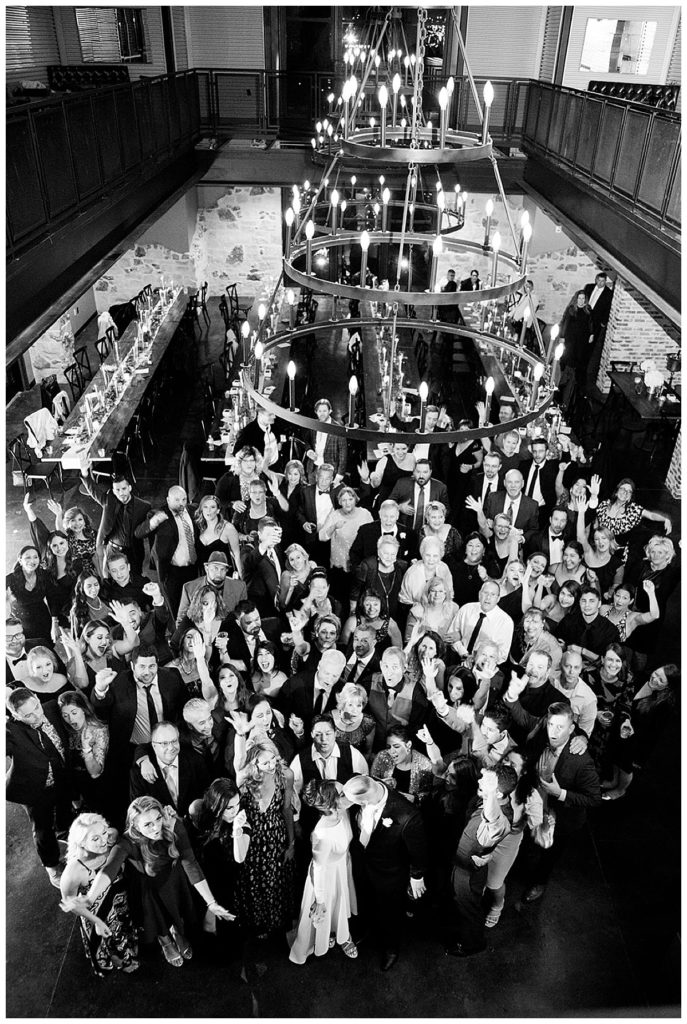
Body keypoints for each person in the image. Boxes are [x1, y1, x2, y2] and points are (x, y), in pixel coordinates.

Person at [86, 796, 234, 966]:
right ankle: (166, 942)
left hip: (174, 878)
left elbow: (190, 862)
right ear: (134, 825)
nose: (156, 827)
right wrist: (90, 898)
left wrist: (211, 903)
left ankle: (178, 933)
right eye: (147, 824)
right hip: (148, 886)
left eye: (158, 818)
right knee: (157, 915)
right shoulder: (128, 841)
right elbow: (109, 869)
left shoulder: (172, 824)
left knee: (178, 910)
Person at [342, 774, 428, 972]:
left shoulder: (407, 814)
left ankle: (391, 949)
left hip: (389, 872)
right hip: (361, 862)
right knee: (363, 898)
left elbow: (418, 850)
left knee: (389, 912)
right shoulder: (362, 782)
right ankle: (364, 929)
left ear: (364, 799)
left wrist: (416, 876)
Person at [519, 703, 601, 903]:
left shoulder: (581, 761)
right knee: (530, 843)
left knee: (549, 853)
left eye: (560, 727)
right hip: (536, 805)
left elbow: (594, 798)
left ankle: (539, 882)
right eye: (551, 725)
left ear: (572, 729)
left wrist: (561, 793)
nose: (553, 732)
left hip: (562, 818)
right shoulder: (542, 739)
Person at [447, 762, 519, 958]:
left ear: (498, 794)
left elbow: (491, 818)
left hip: (469, 873)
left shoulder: (501, 820)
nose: (480, 781)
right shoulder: (489, 797)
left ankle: (471, 944)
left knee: (469, 909)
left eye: (487, 783)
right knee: (461, 902)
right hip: (463, 864)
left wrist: (488, 794)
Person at [6, 687, 72, 887]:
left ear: (36, 698)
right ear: (15, 716)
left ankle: (65, 840)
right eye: (28, 715)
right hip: (34, 789)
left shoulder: (51, 707)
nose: (36, 716)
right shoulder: (11, 730)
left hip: (62, 778)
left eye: (36, 707)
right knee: (42, 829)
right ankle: (52, 866)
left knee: (64, 813)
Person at [59, 813, 139, 975]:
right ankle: (120, 960)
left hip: (122, 903)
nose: (104, 841)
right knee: (111, 941)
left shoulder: (110, 844)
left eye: (104, 833)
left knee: (127, 932)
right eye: (95, 839)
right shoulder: (73, 873)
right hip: (100, 916)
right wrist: (96, 922)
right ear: (81, 842)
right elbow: (72, 905)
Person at [289, 779, 358, 964]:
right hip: (325, 878)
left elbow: (357, 793)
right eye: (342, 794)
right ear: (329, 803)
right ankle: (324, 935)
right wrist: (319, 901)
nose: (345, 795)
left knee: (340, 904)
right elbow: (318, 869)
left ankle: (342, 934)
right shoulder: (322, 834)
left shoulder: (342, 809)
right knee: (329, 905)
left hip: (341, 868)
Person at [236, 738, 296, 939]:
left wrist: (291, 843)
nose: (271, 765)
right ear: (254, 763)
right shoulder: (245, 779)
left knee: (276, 883)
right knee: (254, 885)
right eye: (265, 762)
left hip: (276, 838)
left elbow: (287, 810)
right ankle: (258, 925)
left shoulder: (285, 775)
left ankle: (276, 925)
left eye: (273, 759)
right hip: (251, 842)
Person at [187, 778, 250, 936]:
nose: (234, 811)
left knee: (221, 925)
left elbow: (240, 858)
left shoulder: (242, 824)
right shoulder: (200, 812)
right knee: (204, 924)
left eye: (237, 805)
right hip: (202, 876)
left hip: (227, 881)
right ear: (216, 805)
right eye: (229, 807)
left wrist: (237, 830)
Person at [79, 470, 151, 576]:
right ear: (113, 490)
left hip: (134, 551)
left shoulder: (144, 506)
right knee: (111, 577)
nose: (121, 493)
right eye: (117, 490)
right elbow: (93, 490)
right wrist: (85, 472)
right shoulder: (109, 501)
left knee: (135, 576)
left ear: (130, 488)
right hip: (113, 549)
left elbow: (147, 530)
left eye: (124, 489)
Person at [130, 721, 209, 817]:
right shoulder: (139, 773)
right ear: (154, 746)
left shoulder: (196, 761)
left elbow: (205, 796)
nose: (171, 747)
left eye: (174, 741)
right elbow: (139, 808)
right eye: (164, 743)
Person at [366, 647, 429, 751]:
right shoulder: (369, 682)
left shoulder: (415, 691)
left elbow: (417, 728)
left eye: (394, 667)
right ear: (381, 665)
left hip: (400, 751)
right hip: (372, 748)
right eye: (386, 666)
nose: (389, 673)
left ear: (404, 668)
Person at [58, 690, 109, 813]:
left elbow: (95, 772)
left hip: (96, 788)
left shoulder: (98, 731)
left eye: (74, 712)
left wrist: (86, 748)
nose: (70, 719)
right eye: (65, 715)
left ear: (84, 710)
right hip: (76, 788)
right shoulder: (69, 731)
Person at [318, 486, 373, 598]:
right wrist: (334, 527)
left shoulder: (365, 514)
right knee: (340, 598)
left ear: (355, 499)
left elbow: (373, 537)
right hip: (340, 567)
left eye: (350, 499)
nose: (347, 503)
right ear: (339, 502)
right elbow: (322, 537)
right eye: (344, 500)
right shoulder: (335, 515)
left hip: (360, 566)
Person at [594, 478, 672, 554]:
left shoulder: (633, 510)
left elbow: (651, 515)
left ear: (630, 497)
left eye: (629, 491)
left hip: (617, 551)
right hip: (599, 545)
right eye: (623, 489)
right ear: (616, 492)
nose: (625, 493)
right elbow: (596, 522)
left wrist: (665, 519)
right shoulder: (604, 505)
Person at [176, 552, 247, 628]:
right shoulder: (189, 588)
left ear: (227, 571)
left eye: (222, 569)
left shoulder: (239, 587)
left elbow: (244, 616)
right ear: (207, 569)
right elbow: (181, 621)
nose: (218, 573)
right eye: (215, 568)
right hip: (200, 633)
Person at [554, 585, 620, 666]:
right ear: (579, 602)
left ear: (599, 604)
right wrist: (562, 647)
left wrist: (583, 651)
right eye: (583, 601)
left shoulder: (610, 630)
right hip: (567, 665)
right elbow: (555, 643)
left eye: (592, 601)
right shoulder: (568, 620)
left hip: (595, 672)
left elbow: (609, 662)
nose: (587, 605)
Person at [452, 580, 514, 665]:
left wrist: (479, 659)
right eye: (485, 593)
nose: (488, 597)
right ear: (479, 594)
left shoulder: (505, 622)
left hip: (485, 666)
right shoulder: (466, 609)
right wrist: (464, 654)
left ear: (498, 598)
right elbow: (451, 636)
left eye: (493, 594)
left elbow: (502, 655)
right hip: (458, 657)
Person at [370, 725, 436, 803]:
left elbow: (430, 795)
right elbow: (371, 785)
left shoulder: (424, 764)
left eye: (396, 746)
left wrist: (415, 799)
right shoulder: (382, 756)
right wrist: (382, 784)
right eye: (388, 747)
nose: (391, 751)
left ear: (408, 745)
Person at [350, 536, 407, 627]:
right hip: (369, 617)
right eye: (386, 553)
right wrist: (353, 614)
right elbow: (355, 593)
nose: (389, 557)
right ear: (378, 552)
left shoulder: (402, 567)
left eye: (393, 554)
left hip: (394, 618)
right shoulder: (367, 566)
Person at [349, 499, 418, 569]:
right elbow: (354, 554)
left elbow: (412, 558)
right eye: (385, 516)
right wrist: (362, 572)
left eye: (392, 517)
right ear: (379, 514)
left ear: (397, 516)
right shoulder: (365, 531)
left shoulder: (409, 533)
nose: (388, 520)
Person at [6, 546, 55, 643]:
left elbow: (52, 600)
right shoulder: (10, 579)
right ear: (20, 560)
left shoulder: (45, 575)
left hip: (43, 622)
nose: (32, 560)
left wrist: (55, 624)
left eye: (35, 557)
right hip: (20, 625)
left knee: (46, 650)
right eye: (27, 557)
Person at [388, 459, 451, 534]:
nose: (421, 476)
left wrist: (439, 508)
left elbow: (447, 511)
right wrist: (399, 507)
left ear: (430, 472)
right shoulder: (402, 484)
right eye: (418, 472)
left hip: (430, 532)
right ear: (413, 472)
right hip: (405, 531)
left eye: (425, 472)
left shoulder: (440, 488)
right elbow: (388, 504)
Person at [557, 291, 594, 414]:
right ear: (576, 299)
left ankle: (568, 383)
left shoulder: (588, 309)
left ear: (586, 299)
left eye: (583, 298)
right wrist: (562, 337)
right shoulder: (571, 310)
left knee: (576, 364)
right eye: (579, 298)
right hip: (570, 340)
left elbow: (590, 323)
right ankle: (564, 386)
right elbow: (565, 324)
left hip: (582, 342)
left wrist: (592, 333)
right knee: (569, 362)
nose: (581, 301)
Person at [194, 494, 244, 580]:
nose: (208, 510)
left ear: (218, 510)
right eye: (205, 507)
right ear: (201, 509)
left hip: (223, 577)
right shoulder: (199, 528)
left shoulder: (228, 528)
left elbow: (237, 556)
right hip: (204, 578)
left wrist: (242, 581)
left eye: (212, 507)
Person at [243, 517, 286, 617]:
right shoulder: (248, 549)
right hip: (261, 609)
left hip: (280, 606)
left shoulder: (277, 548)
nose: (271, 538)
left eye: (273, 535)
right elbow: (247, 563)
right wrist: (265, 544)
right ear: (259, 534)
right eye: (267, 535)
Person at [553, 649, 598, 739]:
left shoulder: (588, 699)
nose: (571, 672)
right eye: (568, 666)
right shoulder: (550, 679)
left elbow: (584, 734)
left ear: (581, 669)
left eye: (576, 667)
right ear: (560, 665)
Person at [399, 535, 454, 607]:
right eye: (428, 555)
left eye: (435, 556)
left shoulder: (444, 568)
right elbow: (404, 602)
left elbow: (449, 595)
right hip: (414, 612)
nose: (431, 559)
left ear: (441, 556)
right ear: (422, 554)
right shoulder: (412, 573)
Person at [404, 576, 460, 646]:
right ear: (427, 593)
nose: (437, 595)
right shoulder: (416, 611)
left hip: (447, 651)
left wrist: (459, 635)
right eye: (433, 591)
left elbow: (461, 631)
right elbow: (408, 640)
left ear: (446, 594)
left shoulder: (454, 609)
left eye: (440, 591)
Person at [600, 580, 659, 645]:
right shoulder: (604, 609)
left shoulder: (632, 618)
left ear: (631, 601)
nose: (619, 600)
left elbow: (654, 615)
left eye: (624, 598)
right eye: (617, 596)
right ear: (614, 595)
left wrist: (651, 593)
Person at [358, 443, 416, 508]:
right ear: (392, 448)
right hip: (387, 501)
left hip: (404, 501)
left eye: (404, 449)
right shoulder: (384, 460)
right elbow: (375, 485)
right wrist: (374, 478)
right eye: (397, 449)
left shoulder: (412, 458)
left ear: (408, 448)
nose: (400, 452)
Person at [305, 398, 348, 484]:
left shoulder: (338, 428)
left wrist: (339, 475)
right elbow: (307, 441)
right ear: (316, 412)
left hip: (330, 471)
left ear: (330, 411)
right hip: (313, 469)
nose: (322, 413)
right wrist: (309, 450)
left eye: (324, 411)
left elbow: (343, 454)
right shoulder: (313, 425)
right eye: (319, 411)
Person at [331, 683, 376, 760]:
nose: (355, 710)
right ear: (343, 704)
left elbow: (367, 752)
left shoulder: (368, 723)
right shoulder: (328, 719)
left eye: (358, 705)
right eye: (350, 705)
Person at [450, 532, 490, 607]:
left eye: (478, 546)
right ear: (465, 548)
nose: (473, 549)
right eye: (470, 545)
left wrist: (485, 578)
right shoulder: (454, 566)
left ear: (484, 550)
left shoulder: (489, 567)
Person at [276, 543, 317, 614]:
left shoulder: (312, 566)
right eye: (292, 559)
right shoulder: (287, 575)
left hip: (313, 611)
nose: (296, 562)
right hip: (295, 615)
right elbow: (283, 605)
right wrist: (291, 588)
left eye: (298, 557)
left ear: (304, 557)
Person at [340, 623, 382, 691]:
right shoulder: (346, 650)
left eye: (365, 641)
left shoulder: (379, 667)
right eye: (356, 639)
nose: (358, 644)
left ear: (374, 643)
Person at [69, 572, 113, 636]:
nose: (94, 589)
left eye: (96, 584)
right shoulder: (77, 609)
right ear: (82, 588)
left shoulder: (104, 598)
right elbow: (77, 636)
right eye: (89, 586)